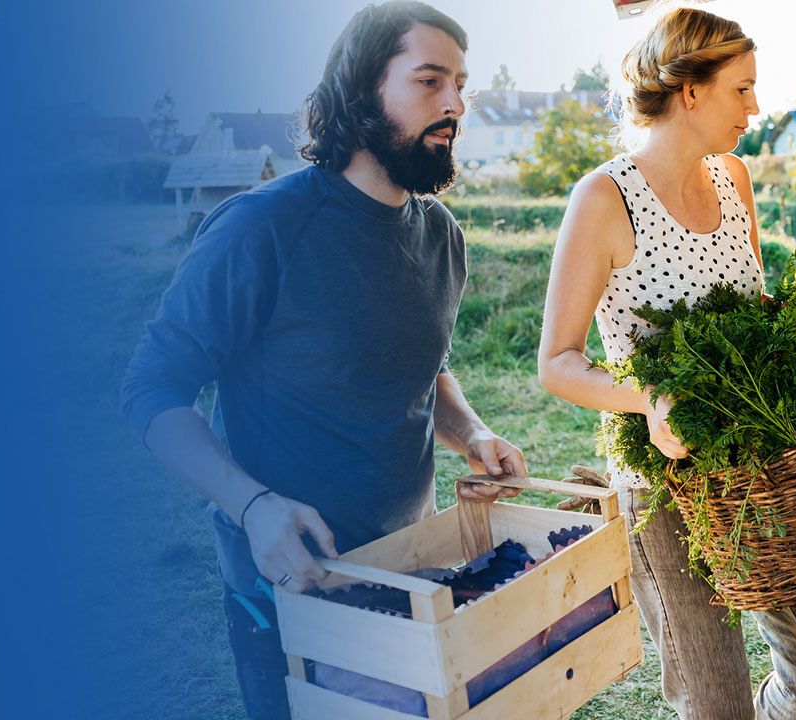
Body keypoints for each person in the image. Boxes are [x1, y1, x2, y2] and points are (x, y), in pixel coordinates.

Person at [120, 3, 527, 718]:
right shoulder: (260, 228)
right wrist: (254, 508)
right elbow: (152, 392)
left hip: (413, 563)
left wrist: (473, 433)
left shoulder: (440, 234)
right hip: (289, 579)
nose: (456, 105)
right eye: (430, 81)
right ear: (362, 89)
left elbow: (423, 369)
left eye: (461, 85)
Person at [535, 8, 796, 719]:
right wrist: (652, 398)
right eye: (742, 89)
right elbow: (557, 362)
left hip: (759, 472)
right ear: (691, 91)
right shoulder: (604, 198)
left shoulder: (734, 178)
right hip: (663, 484)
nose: (755, 107)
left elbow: (758, 319)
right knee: (716, 706)